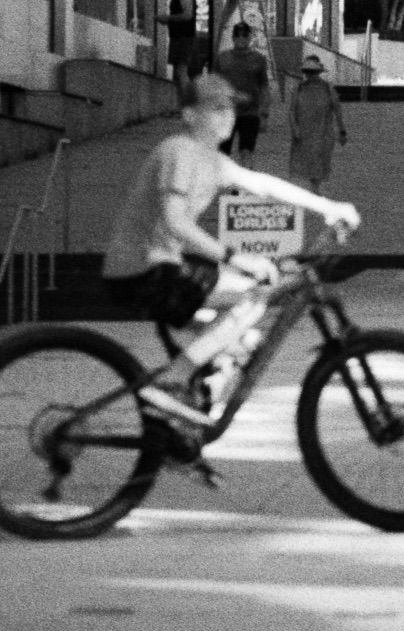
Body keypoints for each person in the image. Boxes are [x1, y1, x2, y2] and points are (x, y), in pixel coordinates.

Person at [101, 74, 360, 452]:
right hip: (142, 271)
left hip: (160, 271)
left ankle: (182, 425)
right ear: (189, 114)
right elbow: (176, 222)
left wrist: (328, 207)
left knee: (240, 338)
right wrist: (238, 257)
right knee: (257, 291)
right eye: (216, 108)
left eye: (232, 109)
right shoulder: (179, 151)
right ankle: (172, 382)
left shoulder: (214, 162)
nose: (228, 118)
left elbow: (265, 185)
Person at [212, 23, 273, 166]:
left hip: (250, 113)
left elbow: (264, 87)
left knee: (246, 151)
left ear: (249, 38)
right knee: (222, 153)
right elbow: (214, 85)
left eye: (244, 35)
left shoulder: (258, 59)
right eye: (237, 35)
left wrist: (264, 114)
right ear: (233, 38)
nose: (241, 38)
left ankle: (242, 185)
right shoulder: (223, 58)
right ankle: (226, 183)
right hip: (225, 113)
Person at [289, 53, 348, 194]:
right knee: (310, 159)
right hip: (305, 132)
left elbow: (337, 110)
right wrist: (294, 128)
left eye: (313, 72)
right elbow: (292, 110)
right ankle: (314, 187)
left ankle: (315, 187)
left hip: (324, 132)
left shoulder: (328, 88)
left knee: (320, 159)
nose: (310, 75)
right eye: (307, 72)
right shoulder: (299, 88)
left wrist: (342, 131)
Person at [157, 0, 199, 93]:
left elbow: (188, 15)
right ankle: (182, 102)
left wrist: (168, 18)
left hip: (184, 37)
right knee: (177, 72)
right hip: (177, 36)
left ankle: (188, 102)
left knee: (181, 70)